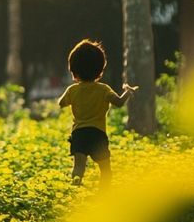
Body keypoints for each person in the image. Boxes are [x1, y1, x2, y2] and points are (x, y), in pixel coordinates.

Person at [58, 39, 138, 188]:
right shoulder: (104, 89)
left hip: (79, 134)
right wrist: (128, 92)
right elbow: (119, 103)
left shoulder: (72, 90)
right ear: (100, 69)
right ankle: (104, 194)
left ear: (73, 70)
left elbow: (61, 103)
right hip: (97, 134)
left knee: (78, 167)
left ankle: (75, 189)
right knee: (105, 170)